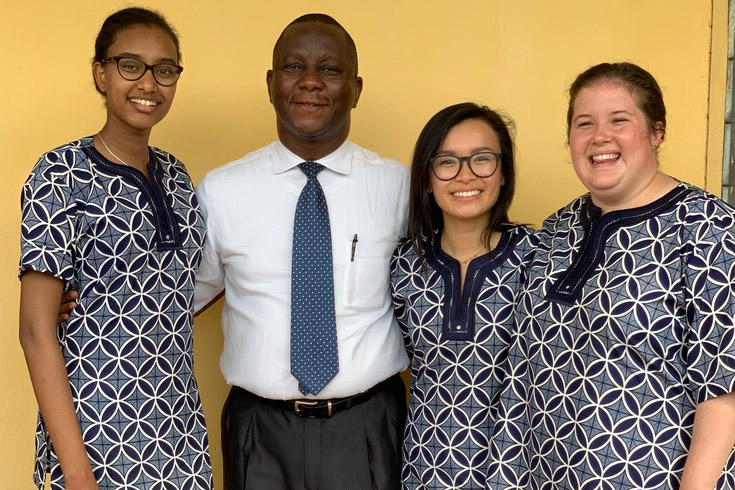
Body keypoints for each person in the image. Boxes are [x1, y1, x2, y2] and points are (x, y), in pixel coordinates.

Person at [488, 62, 735, 490]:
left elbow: (725, 385)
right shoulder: (559, 227)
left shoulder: (709, 227)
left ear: (656, 131)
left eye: (619, 120)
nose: (600, 136)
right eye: (585, 123)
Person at [193, 14, 409, 490]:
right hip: (259, 432)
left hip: (369, 427)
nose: (310, 81)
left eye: (329, 70)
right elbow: (179, 297)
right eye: (294, 66)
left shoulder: (400, 189)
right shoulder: (221, 191)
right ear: (271, 83)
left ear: (355, 87)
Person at [19, 8, 212, 490]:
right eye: (131, 65)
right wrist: (78, 473)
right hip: (94, 439)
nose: (149, 83)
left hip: (180, 441)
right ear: (100, 73)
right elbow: (35, 332)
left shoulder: (179, 178)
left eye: (165, 69)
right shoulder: (59, 174)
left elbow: (179, 290)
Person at [390, 103, 537, 489]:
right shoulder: (403, 264)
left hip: (521, 469)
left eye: (482, 159)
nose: (465, 175)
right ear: (426, 178)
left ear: (503, 173)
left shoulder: (541, 258)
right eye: (447, 162)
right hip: (426, 467)